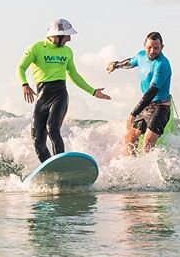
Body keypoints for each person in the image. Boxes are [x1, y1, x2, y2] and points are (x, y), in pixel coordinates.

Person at [17, 18, 111, 163]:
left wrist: (93, 91)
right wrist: (24, 84)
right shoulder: (36, 48)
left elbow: (74, 75)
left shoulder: (67, 52)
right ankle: (50, 167)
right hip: (42, 96)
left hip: (59, 94)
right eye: (67, 35)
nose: (69, 39)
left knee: (52, 128)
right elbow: (20, 68)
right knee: (37, 140)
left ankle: (60, 163)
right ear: (58, 34)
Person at [107, 31, 172, 155]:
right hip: (147, 106)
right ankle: (132, 167)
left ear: (162, 47)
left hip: (161, 107)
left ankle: (149, 170)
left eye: (156, 48)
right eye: (149, 47)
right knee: (130, 138)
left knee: (147, 142)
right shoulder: (141, 56)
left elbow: (151, 93)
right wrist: (116, 65)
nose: (152, 51)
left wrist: (133, 114)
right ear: (144, 46)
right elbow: (130, 62)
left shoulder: (162, 65)